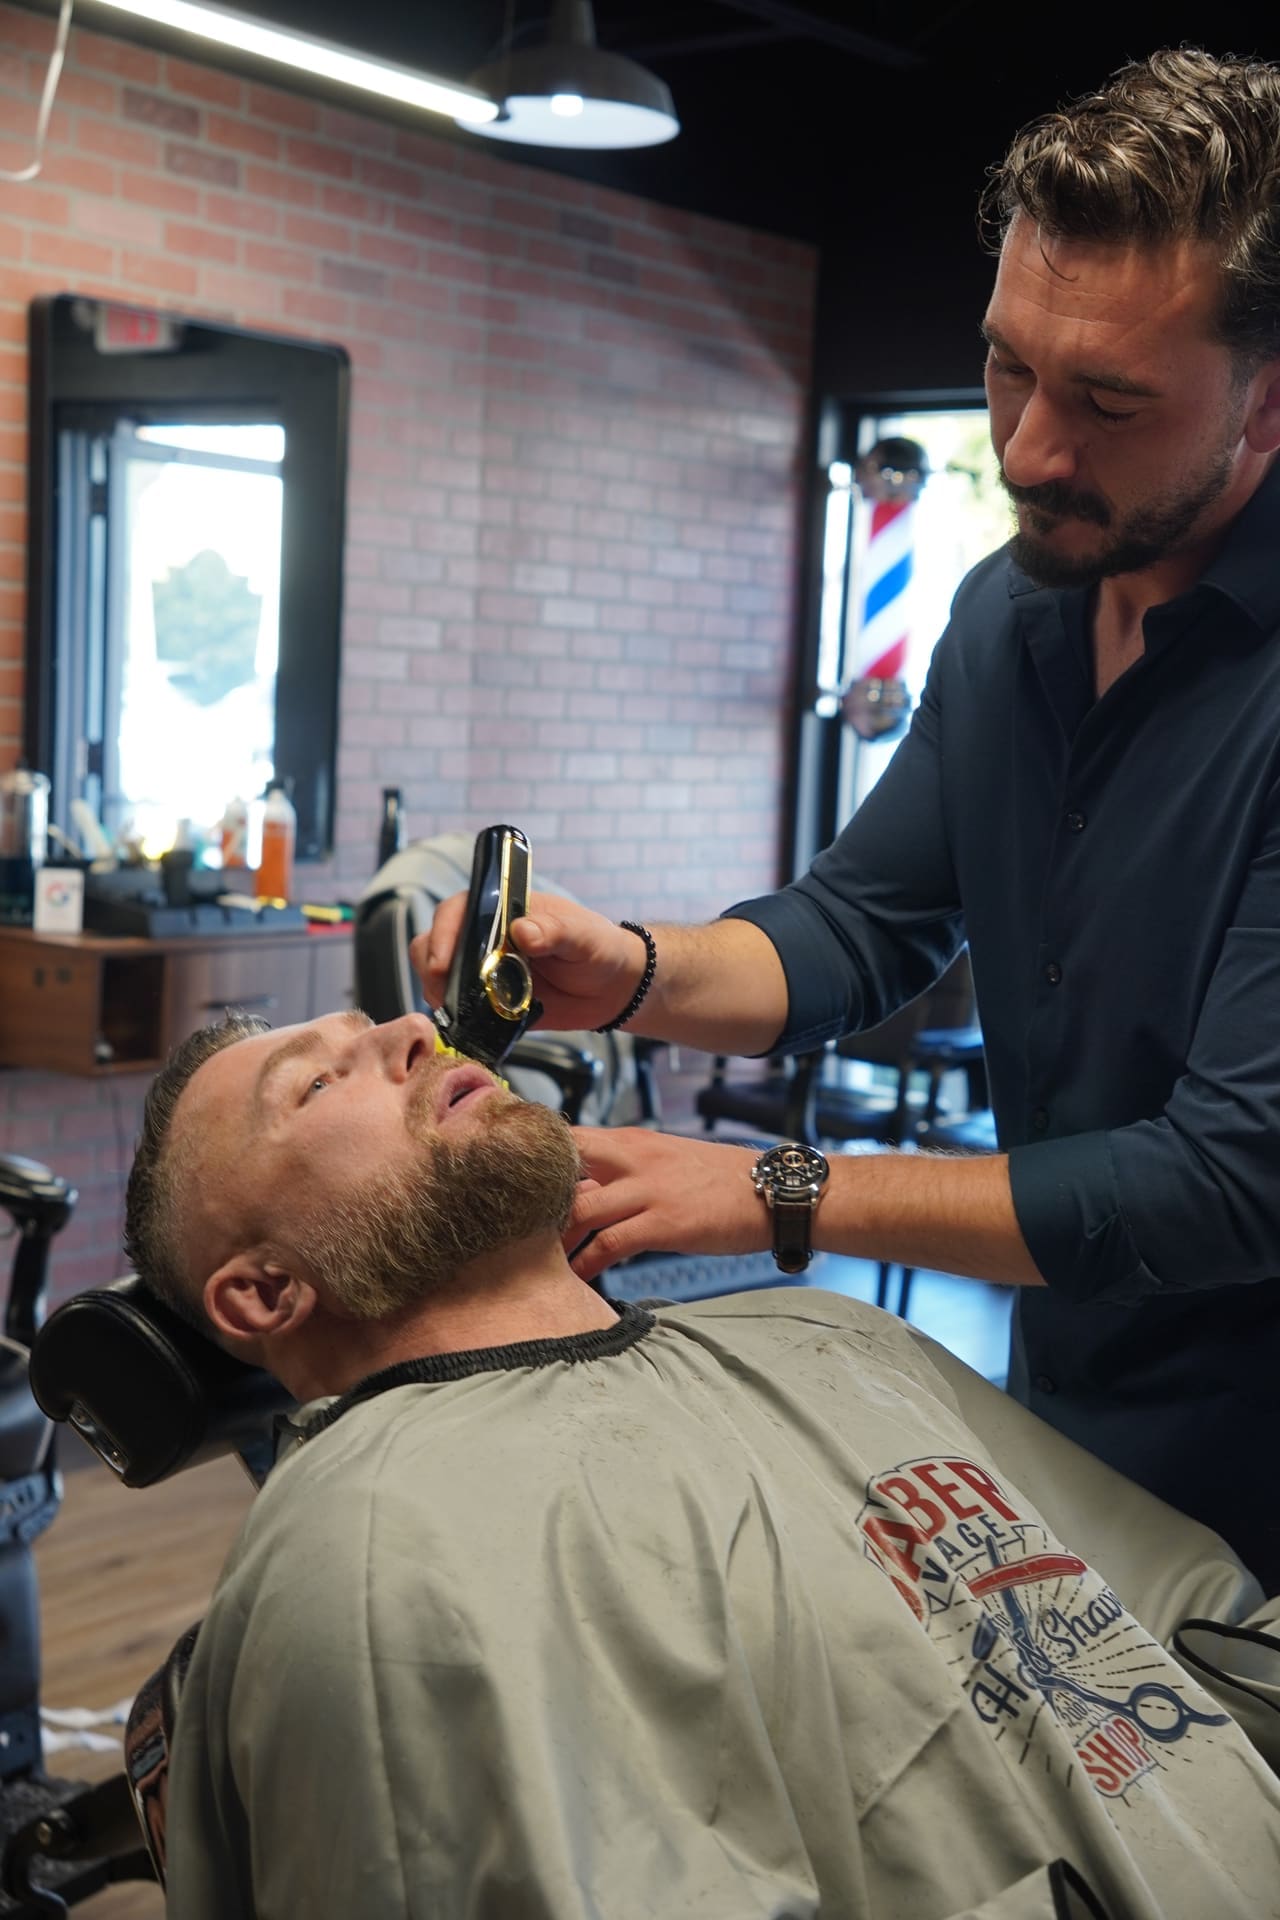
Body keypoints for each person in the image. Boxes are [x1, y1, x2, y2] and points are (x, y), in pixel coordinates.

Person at [422, 46, 1280, 1597]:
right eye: (1009, 366)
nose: (1024, 450)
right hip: (1087, 1434)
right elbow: (863, 923)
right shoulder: (1013, 613)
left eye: (1107, 402)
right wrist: (623, 965)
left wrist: (778, 1191)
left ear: (1269, 398)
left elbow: (1230, 1183)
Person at [123, 1005, 1280, 1919]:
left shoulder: (833, 1334)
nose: (410, 1034)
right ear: (266, 1291)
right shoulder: (385, 1545)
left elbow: (1209, 1630)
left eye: (379, 1024)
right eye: (318, 1082)